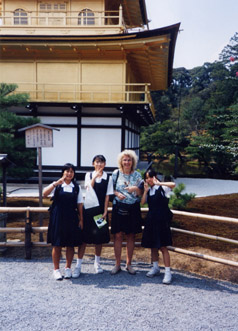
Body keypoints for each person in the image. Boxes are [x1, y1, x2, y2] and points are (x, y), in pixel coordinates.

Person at [72, 155, 113, 277]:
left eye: (101, 162)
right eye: (97, 162)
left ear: (105, 164)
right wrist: (95, 176)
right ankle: (78, 265)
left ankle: (97, 263)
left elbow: (107, 196)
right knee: (84, 237)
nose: (99, 165)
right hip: (89, 209)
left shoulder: (108, 178)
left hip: (100, 210)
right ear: (93, 163)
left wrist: (105, 211)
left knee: (99, 238)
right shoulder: (88, 175)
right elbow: (89, 188)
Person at [43, 163, 83, 281]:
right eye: (67, 171)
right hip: (58, 217)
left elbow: (79, 204)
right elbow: (44, 193)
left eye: (71, 171)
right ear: (63, 172)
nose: (69, 174)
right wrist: (56, 183)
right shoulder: (57, 185)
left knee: (70, 244)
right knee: (57, 244)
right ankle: (56, 269)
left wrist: (81, 219)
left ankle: (68, 268)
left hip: (71, 217)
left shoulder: (76, 187)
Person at [110, 149, 143, 275]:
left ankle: (129, 264)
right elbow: (110, 190)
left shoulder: (137, 175)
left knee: (131, 235)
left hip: (133, 207)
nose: (127, 162)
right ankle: (117, 264)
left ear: (132, 161)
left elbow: (141, 193)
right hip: (118, 206)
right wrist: (117, 193)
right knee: (117, 235)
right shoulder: (115, 173)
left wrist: (135, 188)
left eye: (129, 160)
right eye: (125, 159)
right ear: (121, 161)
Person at [141, 169, 175, 284]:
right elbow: (142, 202)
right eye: (146, 178)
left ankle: (168, 272)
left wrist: (159, 183)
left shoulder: (162, 188)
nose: (148, 180)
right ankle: (155, 267)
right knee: (153, 245)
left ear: (154, 177)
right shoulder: (149, 190)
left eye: (150, 177)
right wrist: (145, 191)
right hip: (151, 220)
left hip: (162, 221)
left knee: (163, 247)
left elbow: (173, 185)